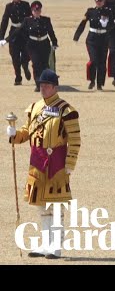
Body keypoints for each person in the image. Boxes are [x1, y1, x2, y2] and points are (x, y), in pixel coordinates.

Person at [6, 69, 81, 258]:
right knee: (42, 206)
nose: (43, 88)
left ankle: (56, 245)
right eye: (41, 85)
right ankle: (46, 244)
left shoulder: (66, 110)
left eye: (46, 85)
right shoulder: (34, 108)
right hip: (37, 162)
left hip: (57, 164)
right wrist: (15, 135)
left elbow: (75, 140)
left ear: (55, 87)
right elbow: (27, 132)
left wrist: (70, 163)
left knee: (56, 206)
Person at [0, 1, 58, 92]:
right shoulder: (27, 20)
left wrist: (54, 43)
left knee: (44, 65)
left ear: (40, 10)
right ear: (32, 11)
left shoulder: (46, 20)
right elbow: (17, 31)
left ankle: (45, 82)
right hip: (33, 45)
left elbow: (51, 32)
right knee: (36, 64)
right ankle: (38, 84)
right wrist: (6, 40)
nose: (36, 12)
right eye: (35, 10)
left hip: (44, 45)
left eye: (38, 10)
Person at [73, 0, 114, 91]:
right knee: (94, 60)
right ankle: (92, 80)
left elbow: (112, 24)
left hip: (103, 39)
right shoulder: (90, 11)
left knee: (102, 63)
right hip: (92, 39)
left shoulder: (108, 11)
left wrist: (106, 26)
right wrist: (77, 36)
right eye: (97, 0)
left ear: (104, 0)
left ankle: (100, 84)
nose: (98, 1)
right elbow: (83, 23)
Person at [0, 0, 31, 85]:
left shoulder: (26, 5)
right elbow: (4, 21)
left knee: (26, 54)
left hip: (25, 33)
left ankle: (25, 66)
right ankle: (18, 77)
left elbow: (31, 19)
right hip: (14, 34)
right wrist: (1, 37)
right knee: (14, 56)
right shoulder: (9, 6)